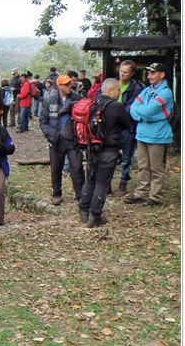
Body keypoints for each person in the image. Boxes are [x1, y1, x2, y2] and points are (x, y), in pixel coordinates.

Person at [74, 78, 129, 226]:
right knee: (102, 183)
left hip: (92, 149)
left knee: (91, 179)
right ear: (110, 90)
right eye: (118, 89)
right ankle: (95, 216)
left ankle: (84, 211)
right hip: (109, 150)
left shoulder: (93, 103)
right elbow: (126, 124)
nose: (119, 92)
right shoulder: (116, 106)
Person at [124, 62, 174, 207]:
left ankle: (155, 196)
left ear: (162, 75)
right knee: (142, 165)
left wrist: (143, 114)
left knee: (156, 167)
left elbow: (147, 111)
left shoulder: (165, 92)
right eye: (149, 73)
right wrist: (143, 115)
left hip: (157, 135)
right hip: (142, 134)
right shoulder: (147, 90)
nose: (149, 75)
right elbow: (133, 108)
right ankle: (141, 193)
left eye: (152, 73)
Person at [39, 74, 84, 205]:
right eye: (66, 84)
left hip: (73, 140)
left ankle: (80, 194)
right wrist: (49, 134)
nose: (70, 86)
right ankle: (56, 193)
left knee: (77, 168)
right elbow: (43, 120)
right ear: (59, 86)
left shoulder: (77, 99)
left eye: (71, 84)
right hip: (56, 140)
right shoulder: (49, 101)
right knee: (56, 168)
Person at [115, 60, 145, 195]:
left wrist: (117, 113)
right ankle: (106, 182)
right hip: (112, 125)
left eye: (126, 72)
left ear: (132, 73)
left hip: (128, 125)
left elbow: (132, 107)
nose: (122, 74)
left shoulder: (137, 88)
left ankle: (123, 180)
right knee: (110, 154)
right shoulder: (112, 84)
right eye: (121, 71)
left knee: (127, 156)